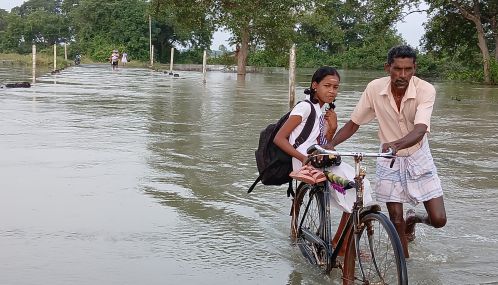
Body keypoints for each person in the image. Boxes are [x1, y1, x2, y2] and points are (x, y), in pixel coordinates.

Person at [326, 45, 447, 258]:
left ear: (414, 68)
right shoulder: (374, 89)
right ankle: (405, 266)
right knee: (395, 218)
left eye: (408, 69)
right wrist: (331, 144)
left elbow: (420, 129)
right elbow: (354, 123)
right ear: (387, 67)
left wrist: (397, 145)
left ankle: (414, 219)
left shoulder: (426, 90)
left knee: (438, 220)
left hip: (418, 155)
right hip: (388, 158)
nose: (402, 75)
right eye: (397, 69)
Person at [274, 66, 372, 254]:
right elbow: (279, 138)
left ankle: (340, 243)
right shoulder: (304, 107)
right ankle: (340, 245)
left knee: (360, 186)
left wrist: (332, 129)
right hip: (306, 162)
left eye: (335, 87)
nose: (332, 91)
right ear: (315, 85)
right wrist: (304, 158)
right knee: (358, 188)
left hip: (319, 160)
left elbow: (323, 145)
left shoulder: (321, 111)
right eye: (327, 86)